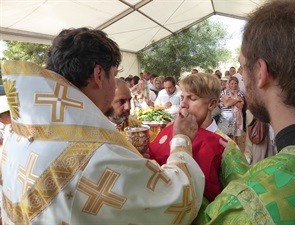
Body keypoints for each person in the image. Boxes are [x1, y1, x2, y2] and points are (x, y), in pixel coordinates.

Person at [0, 28, 205, 224]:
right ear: (99, 74)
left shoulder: (18, 134)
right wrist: (181, 140)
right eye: (113, 75)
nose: (115, 84)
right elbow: (176, 199)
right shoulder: (94, 152)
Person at [198, 1, 295, 224]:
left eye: (243, 66)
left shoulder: (243, 207)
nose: (242, 77)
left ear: (261, 72)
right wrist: (233, 161)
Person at [150, 73, 238, 203]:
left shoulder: (226, 146)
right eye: (182, 97)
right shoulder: (170, 129)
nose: (183, 104)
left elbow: (233, 196)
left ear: (212, 104)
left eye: (191, 98)